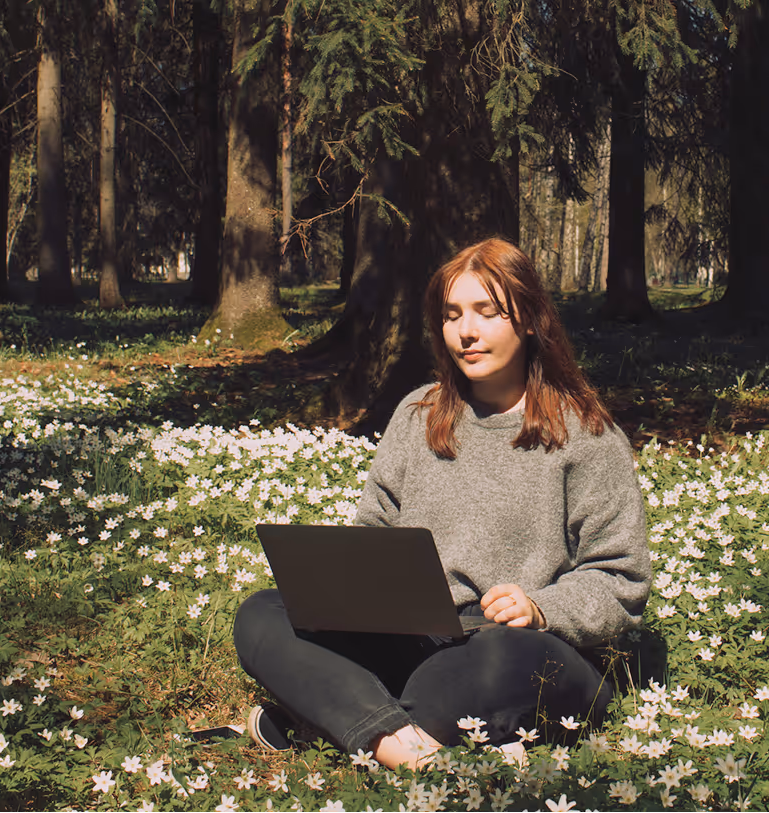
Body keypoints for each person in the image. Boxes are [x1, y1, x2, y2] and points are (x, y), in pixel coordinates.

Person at [232, 237, 650, 770]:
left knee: (498, 664)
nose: (466, 332)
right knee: (263, 613)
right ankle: (400, 739)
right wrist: (352, 585)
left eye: (486, 312)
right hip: (410, 636)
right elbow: (375, 526)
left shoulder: (586, 435)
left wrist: (541, 608)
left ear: (528, 319)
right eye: (452, 315)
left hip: (521, 646)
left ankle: (331, 717)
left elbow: (620, 578)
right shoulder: (417, 414)